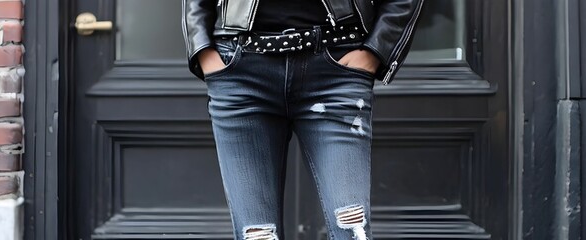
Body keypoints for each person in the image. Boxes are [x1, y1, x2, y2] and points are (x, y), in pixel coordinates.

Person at [182, 0, 424, 238]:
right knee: (257, 235)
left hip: (335, 72)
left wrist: (375, 52)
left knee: (351, 228)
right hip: (240, 74)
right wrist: (202, 49)